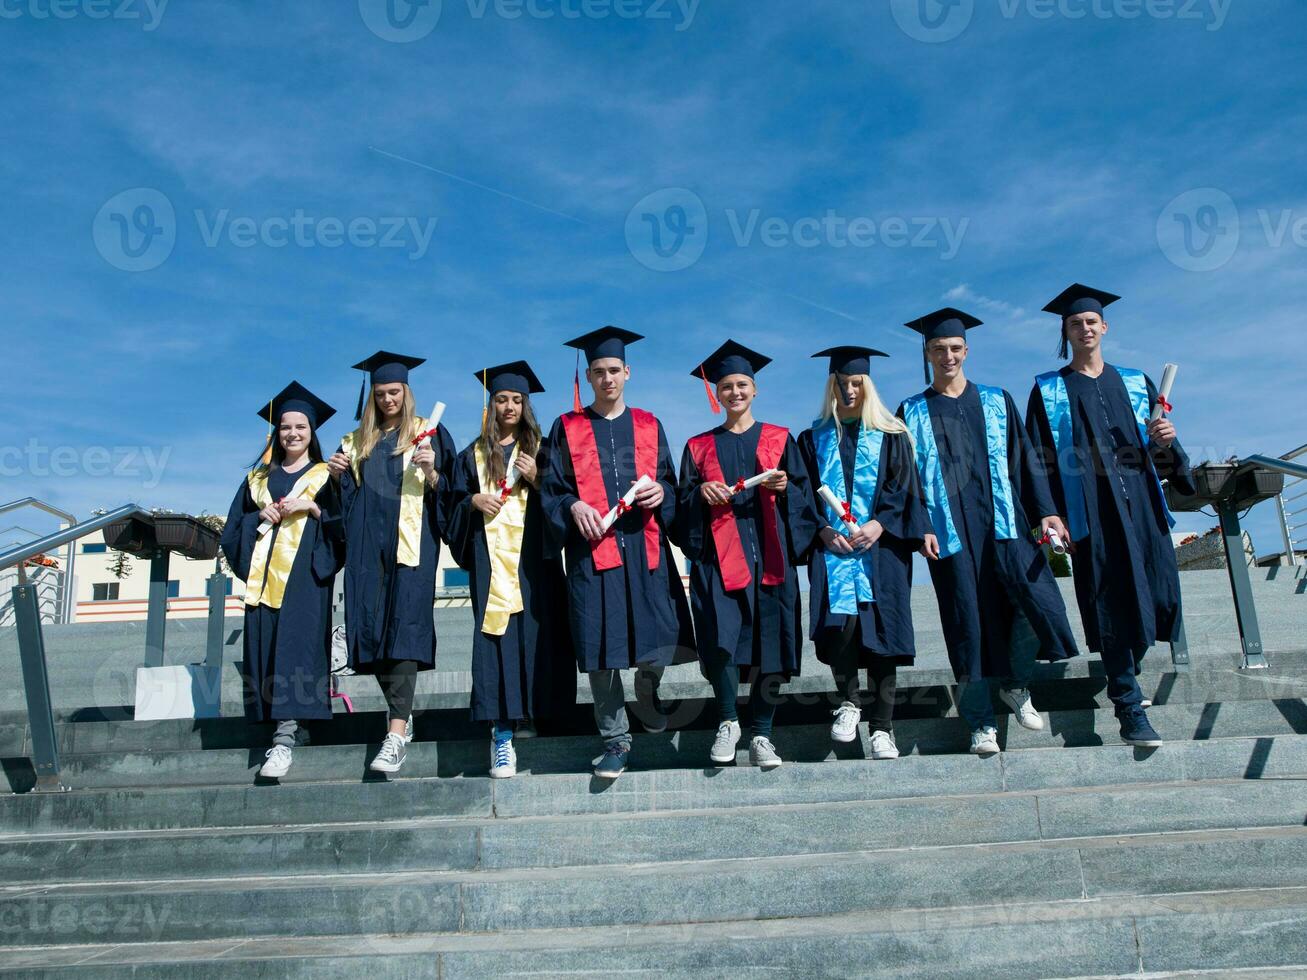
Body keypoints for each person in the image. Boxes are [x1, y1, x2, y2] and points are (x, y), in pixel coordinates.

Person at [897, 308, 1079, 756]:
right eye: (939, 349)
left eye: (955, 348)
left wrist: (1047, 513)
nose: (948, 355)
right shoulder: (912, 410)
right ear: (927, 352)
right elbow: (905, 478)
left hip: (1007, 524)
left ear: (967, 350)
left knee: (1038, 603)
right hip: (950, 533)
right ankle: (980, 723)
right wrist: (920, 526)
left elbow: (1025, 461)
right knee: (968, 625)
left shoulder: (997, 400)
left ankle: (1016, 685)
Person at [1026, 284, 1195, 748]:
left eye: (1091, 321)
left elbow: (1161, 461)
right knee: (1111, 600)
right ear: (1065, 331)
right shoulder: (1049, 389)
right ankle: (1128, 703)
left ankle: (1129, 670)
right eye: (1075, 323)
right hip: (1092, 512)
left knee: (1156, 594)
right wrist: (1048, 513)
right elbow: (1036, 460)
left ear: (1104, 327)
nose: (1085, 328)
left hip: (1141, 507)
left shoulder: (1136, 382)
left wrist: (1164, 443)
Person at [540, 326, 695, 779]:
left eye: (614, 371)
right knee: (599, 646)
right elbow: (552, 489)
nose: (607, 379)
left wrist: (662, 493)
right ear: (587, 376)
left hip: (645, 553)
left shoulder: (649, 424)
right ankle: (616, 738)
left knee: (658, 637)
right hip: (594, 557)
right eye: (599, 372)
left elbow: (670, 481)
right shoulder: (566, 427)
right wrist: (571, 505)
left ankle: (647, 695)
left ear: (628, 372)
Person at [676, 340, 819, 770]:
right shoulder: (698, 447)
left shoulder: (779, 439)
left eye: (742, 385)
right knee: (720, 641)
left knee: (772, 646)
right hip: (719, 560)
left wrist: (786, 489)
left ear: (755, 390)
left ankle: (762, 733)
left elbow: (806, 497)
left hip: (770, 558)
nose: (735, 392)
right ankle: (726, 722)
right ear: (716, 394)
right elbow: (679, 503)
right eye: (726, 386)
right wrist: (699, 493)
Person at [326, 351, 456, 775]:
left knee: (403, 631)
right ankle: (402, 716)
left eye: (394, 392)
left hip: (411, 547)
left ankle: (396, 731)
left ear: (407, 392)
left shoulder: (428, 434)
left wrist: (434, 473)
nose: (387, 400)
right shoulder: (354, 442)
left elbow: (454, 491)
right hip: (366, 550)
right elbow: (342, 504)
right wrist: (337, 477)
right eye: (380, 394)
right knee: (373, 632)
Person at [797, 347, 930, 761]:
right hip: (833, 550)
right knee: (842, 628)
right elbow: (802, 496)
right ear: (831, 386)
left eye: (857, 383)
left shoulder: (892, 435)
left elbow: (904, 486)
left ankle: (883, 728)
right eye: (842, 383)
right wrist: (820, 531)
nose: (850, 390)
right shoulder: (811, 439)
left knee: (882, 637)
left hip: (881, 550)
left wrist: (880, 523)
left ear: (867, 386)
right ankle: (849, 702)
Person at [446, 361, 575, 779]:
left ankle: (540, 718)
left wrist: (539, 479)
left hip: (535, 563)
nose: (509, 406)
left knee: (540, 638)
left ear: (526, 405)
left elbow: (566, 498)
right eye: (501, 399)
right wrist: (471, 503)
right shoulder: (471, 456)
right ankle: (502, 730)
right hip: (490, 564)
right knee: (495, 638)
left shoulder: (543, 449)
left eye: (516, 400)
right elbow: (448, 506)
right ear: (491, 404)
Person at [220, 382, 343, 779]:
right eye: (286, 427)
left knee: (297, 649)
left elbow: (344, 525)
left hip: (305, 578)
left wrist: (311, 507)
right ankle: (288, 728)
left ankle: (285, 738)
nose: (292, 433)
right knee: (269, 649)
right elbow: (232, 529)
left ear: (312, 433)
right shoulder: (257, 479)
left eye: (301, 427)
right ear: (277, 433)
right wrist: (260, 517)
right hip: (261, 580)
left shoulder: (326, 476)